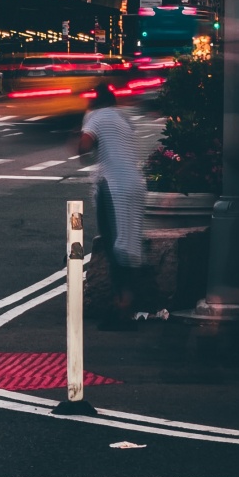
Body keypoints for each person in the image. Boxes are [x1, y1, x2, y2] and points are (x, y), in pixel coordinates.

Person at [80, 81, 146, 321]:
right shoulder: (122, 118)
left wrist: (78, 139)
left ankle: (122, 304)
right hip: (135, 184)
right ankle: (128, 300)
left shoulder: (96, 117)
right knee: (129, 243)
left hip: (113, 186)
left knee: (113, 244)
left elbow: (84, 147)